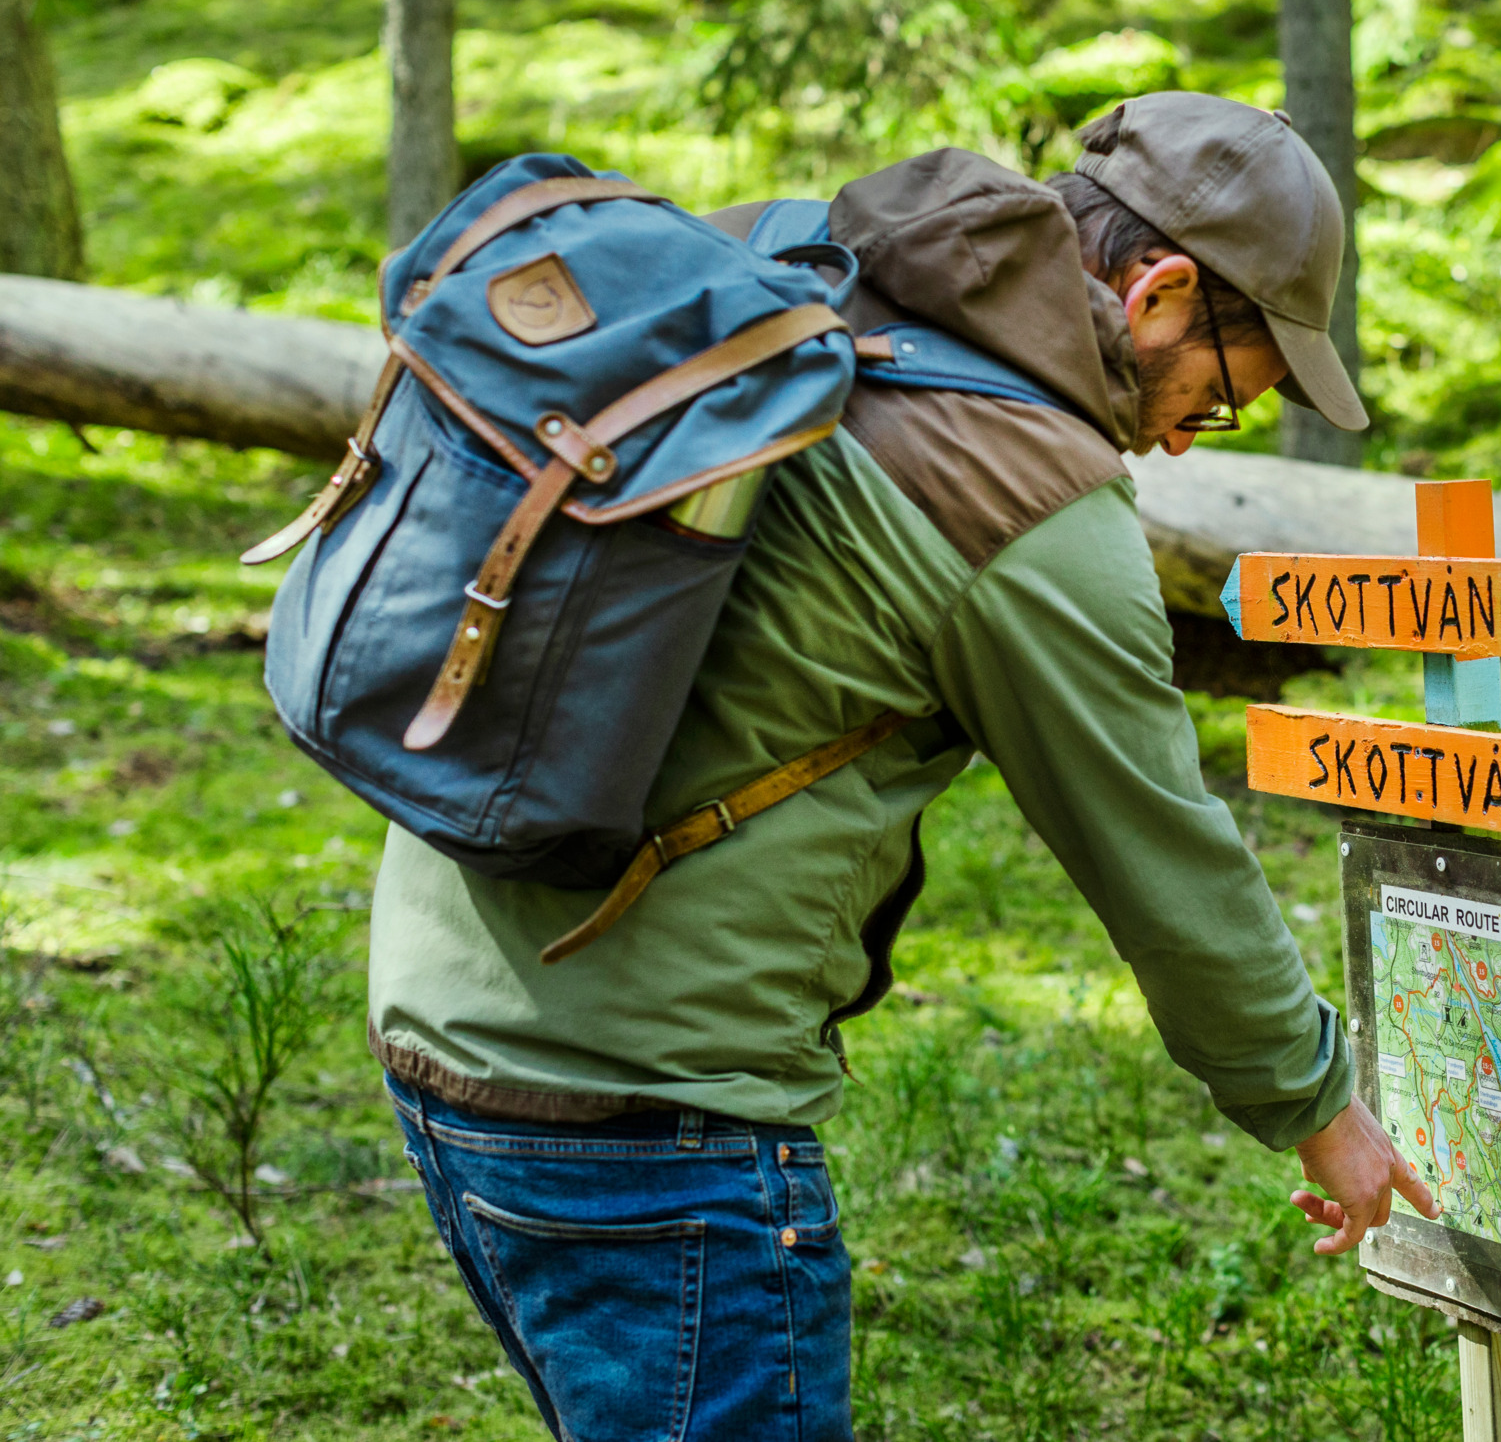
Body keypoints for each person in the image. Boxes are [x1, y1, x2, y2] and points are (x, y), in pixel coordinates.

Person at [370, 92, 1438, 1440]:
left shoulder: (801, 258)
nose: (1181, 439)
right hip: (649, 1119)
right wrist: (1319, 1105)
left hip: (441, 1013)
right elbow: (1166, 859)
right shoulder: (1033, 499)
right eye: (1214, 399)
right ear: (1160, 292)